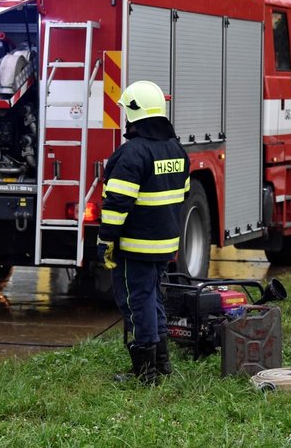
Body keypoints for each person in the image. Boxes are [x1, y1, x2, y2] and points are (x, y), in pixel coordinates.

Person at [97, 80, 190, 384]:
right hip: (164, 245)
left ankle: (144, 373)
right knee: (153, 299)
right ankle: (161, 364)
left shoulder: (132, 154)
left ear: (134, 114)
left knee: (137, 304)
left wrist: (106, 240)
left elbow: (116, 204)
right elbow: (182, 195)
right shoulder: (177, 150)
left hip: (135, 247)